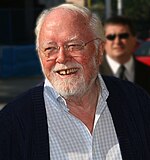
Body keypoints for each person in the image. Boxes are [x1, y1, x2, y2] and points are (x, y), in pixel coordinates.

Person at [0, 3, 150, 160]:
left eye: (74, 46)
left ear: (99, 51)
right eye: (50, 48)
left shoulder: (136, 101)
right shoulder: (12, 123)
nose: (62, 58)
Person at [100, 15, 150, 94]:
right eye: (111, 37)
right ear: (103, 42)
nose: (117, 41)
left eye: (123, 36)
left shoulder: (147, 73)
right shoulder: (94, 74)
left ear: (134, 39)